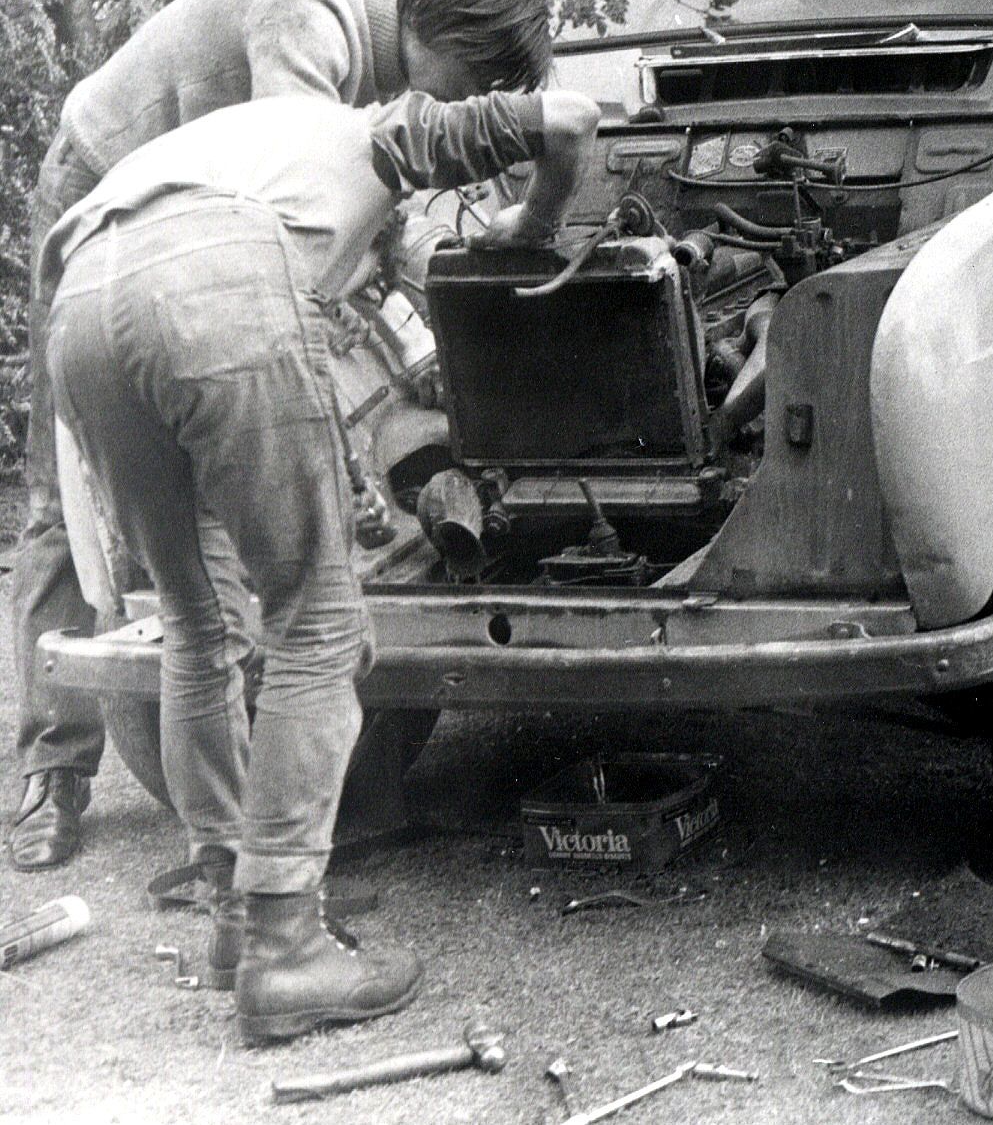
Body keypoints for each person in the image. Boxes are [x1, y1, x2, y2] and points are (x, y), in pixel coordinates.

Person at [40, 85, 600, 1042]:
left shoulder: (261, 140)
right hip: (208, 282)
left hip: (82, 293)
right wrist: (532, 216)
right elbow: (573, 117)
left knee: (196, 618)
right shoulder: (385, 130)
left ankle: (234, 915)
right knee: (320, 621)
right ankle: (286, 945)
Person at [9, 0, 551, 872]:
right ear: (437, 34)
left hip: (192, 229)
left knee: (203, 587)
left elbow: (363, 213)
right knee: (68, 493)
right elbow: (293, 209)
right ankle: (54, 767)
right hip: (103, 192)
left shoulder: (377, 60)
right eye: (475, 81)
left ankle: (234, 861)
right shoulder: (310, 18)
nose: (466, 105)